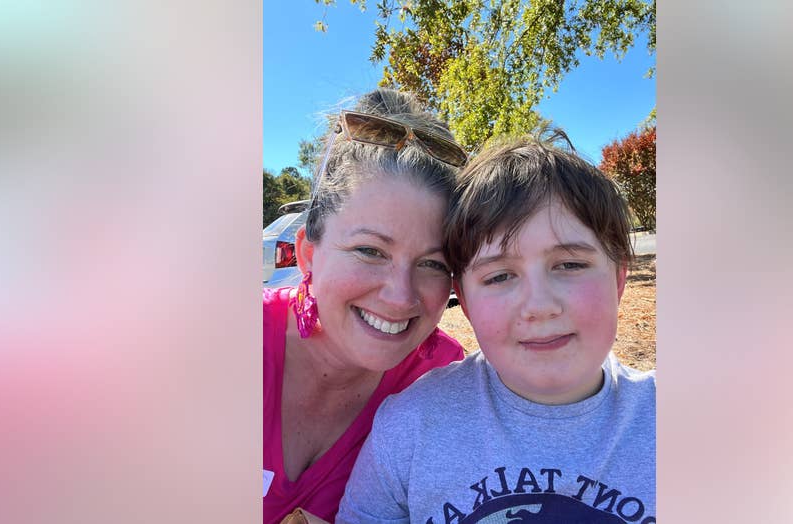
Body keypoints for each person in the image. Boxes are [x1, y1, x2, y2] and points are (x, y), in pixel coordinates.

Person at [336, 131, 656, 524]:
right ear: (465, 303)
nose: (539, 306)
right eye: (501, 276)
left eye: (569, 264)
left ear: (619, 280)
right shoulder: (410, 430)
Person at [263, 88, 469, 524]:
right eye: (370, 251)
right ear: (308, 256)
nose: (400, 296)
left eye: (432, 263)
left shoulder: (443, 385)